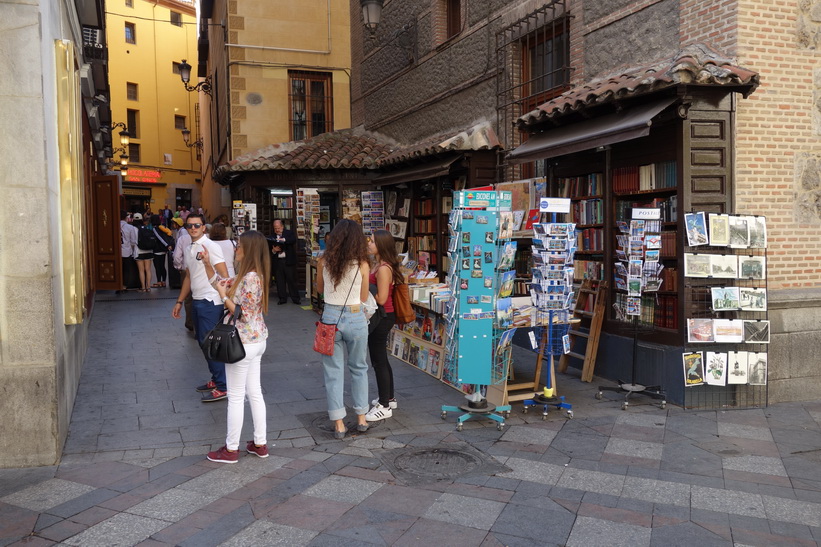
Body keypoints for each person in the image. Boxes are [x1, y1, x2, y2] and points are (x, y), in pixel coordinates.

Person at [199, 231, 271, 463]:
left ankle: (231, 449)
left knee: (237, 396)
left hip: (242, 342)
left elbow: (242, 314)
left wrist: (222, 296)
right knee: (255, 393)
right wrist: (207, 262)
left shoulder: (249, 278)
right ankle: (259, 443)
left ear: (248, 250)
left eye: (239, 246)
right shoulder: (251, 275)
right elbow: (217, 282)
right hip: (256, 340)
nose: (235, 250)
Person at [316, 219, 371, 438]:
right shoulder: (363, 264)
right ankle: (361, 417)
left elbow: (320, 290)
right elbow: (364, 296)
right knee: (359, 367)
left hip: (330, 316)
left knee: (333, 371)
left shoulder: (324, 261)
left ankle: (338, 423)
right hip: (356, 316)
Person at [171, 213, 230, 402]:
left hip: (211, 301)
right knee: (202, 342)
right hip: (197, 300)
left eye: (197, 225)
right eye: (190, 226)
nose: (193, 228)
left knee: (210, 342)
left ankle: (223, 385)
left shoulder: (211, 246)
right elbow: (189, 276)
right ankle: (216, 378)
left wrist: (222, 297)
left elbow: (224, 274)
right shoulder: (189, 248)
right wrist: (180, 301)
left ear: (204, 227)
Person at [365, 230, 403, 422]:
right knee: (382, 359)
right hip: (381, 315)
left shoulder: (383, 269)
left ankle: (384, 405)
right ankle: (389, 397)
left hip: (382, 316)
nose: (369, 243)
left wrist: (364, 291)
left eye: (372, 241)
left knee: (378, 360)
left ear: (381, 245)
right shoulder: (379, 265)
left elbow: (381, 298)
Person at [269, 219, 301, 304]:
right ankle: (282, 298)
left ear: (282, 226)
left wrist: (284, 240)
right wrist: (274, 250)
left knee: (291, 279)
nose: (277, 230)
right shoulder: (272, 236)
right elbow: (269, 249)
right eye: (275, 228)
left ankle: (295, 298)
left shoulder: (289, 233)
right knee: (279, 280)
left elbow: (293, 240)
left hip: (288, 260)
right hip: (278, 261)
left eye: (278, 228)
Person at [151, 214, 174, 288]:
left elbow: (159, 238)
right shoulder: (162, 227)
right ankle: (164, 281)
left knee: (157, 266)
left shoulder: (155, 228)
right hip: (163, 250)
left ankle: (159, 281)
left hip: (157, 250)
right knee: (162, 266)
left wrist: (166, 245)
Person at [118, 210, 139, 293]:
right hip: (127, 251)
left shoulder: (115, 226)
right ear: (126, 218)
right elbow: (133, 241)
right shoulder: (130, 227)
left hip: (117, 252)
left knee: (119, 269)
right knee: (126, 270)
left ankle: (117, 284)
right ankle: (124, 285)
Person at [133, 213, 154, 292]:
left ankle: (143, 287)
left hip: (139, 251)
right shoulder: (145, 228)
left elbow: (133, 241)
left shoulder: (134, 229)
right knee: (148, 270)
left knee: (141, 270)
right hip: (148, 250)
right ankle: (148, 287)